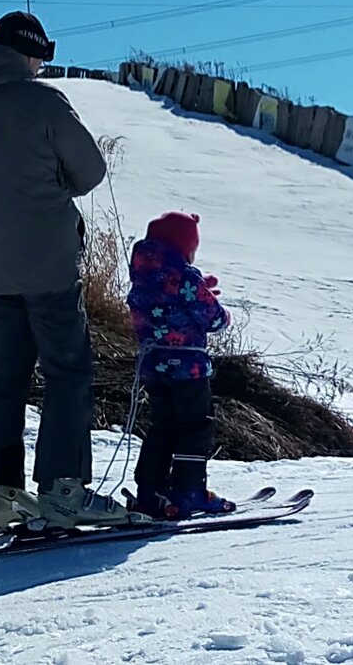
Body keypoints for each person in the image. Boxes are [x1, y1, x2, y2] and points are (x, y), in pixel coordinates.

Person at [0, 11, 129, 533]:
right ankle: (64, 492)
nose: (43, 65)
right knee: (66, 373)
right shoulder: (44, 102)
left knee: (5, 378)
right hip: (48, 262)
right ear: (27, 53)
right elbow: (89, 170)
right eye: (41, 56)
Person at [125, 212, 237, 520]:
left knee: (163, 426)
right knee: (195, 426)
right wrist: (218, 308)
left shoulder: (143, 275)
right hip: (187, 367)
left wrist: (200, 288)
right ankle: (189, 490)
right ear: (183, 246)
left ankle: (150, 491)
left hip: (154, 366)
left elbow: (168, 304)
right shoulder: (185, 276)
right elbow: (212, 317)